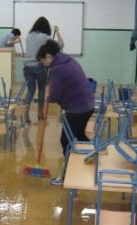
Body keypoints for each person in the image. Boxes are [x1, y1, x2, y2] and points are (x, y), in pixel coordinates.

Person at [37, 40, 94, 186]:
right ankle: (92, 157)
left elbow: (55, 95)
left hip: (77, 108)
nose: (43, 64)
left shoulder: (57, 69)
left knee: (65, 141)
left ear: (49, 57)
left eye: (43, 61)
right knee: (79, 135)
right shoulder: (68, 60)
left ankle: (67, 174)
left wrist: (48, 97)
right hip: (88, 105)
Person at [23, 16, 63, 123]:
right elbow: (60, 45)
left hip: (27, 67)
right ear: (46, 27)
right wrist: (57, 32)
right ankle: (40, 114)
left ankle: (25, 114)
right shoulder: (44, 37)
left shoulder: (29, 35)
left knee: (30, 91)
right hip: (39, 67)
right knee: (41, 90)